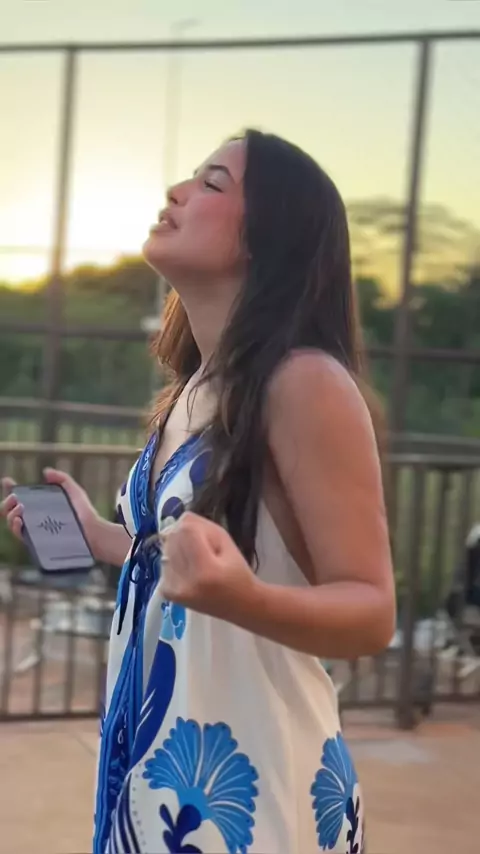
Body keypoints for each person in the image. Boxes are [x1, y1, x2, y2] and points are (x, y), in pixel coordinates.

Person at [1, 130, 395, 854]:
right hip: (157, 779)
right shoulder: (194, 391)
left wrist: (242, 598)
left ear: (268, 236)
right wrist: (100, 537)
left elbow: (371, 612)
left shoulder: (305, 383)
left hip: (251, 788)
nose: (177, 191)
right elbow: (194, 561)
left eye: (212, 183)